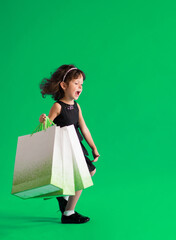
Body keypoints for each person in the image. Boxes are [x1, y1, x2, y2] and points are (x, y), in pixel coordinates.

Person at [39, 64, 100, 224]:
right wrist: (44, 121)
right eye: (76, 83)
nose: (80, 87)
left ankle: (64, 197)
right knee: (81, 177)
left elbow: (84, 128)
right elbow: (47, 128)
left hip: (76, 146)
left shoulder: (77, 107)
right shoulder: (58, 106)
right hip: (64, 148)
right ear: (64, 85)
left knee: (88, 173)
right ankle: (68, 213)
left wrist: (93, 147)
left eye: (81, 84)